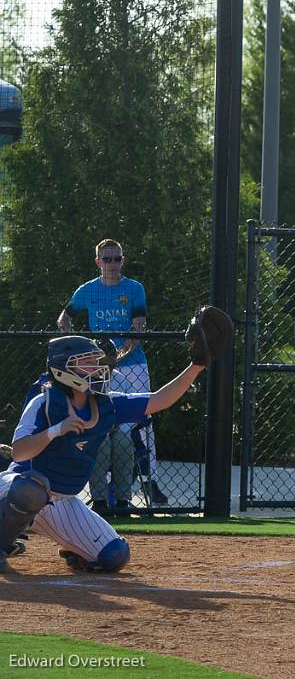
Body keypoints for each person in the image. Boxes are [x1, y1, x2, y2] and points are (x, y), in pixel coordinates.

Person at [0, 312, 228, 572]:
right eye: (87, 363)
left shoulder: (105, 404)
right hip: (17, 488)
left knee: (114, 555)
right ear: (64, 369)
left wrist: (196, 366)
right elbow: (18, 453)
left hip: (61, 501)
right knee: (30, 490)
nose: (98, 368)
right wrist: (55, 431)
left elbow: (159, 400)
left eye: (96, 362)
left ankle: (76, 550)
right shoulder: (44, 402)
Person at [57, 239, 167, 506]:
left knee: (142, 423)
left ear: (123, 261)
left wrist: (116, 357)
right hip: (100, 371)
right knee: (104, 426)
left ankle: (148, 481)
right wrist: (79, 351)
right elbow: (64, 318)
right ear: (98, 262)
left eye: (116, 259)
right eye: (107, 259)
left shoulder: (134, 289)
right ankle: (104, 492)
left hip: (134, 366)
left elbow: (137, 329)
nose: (112, 264)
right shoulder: (87, 291)